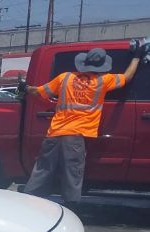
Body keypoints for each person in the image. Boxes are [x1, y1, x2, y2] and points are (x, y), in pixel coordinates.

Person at [20, 44, 144, 209]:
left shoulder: (65, 77)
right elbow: (127, 77)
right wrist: (137, 57)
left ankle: (26, 205)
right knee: (72, 175)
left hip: (54, 133)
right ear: (101, 67)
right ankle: (71, 209)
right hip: (76, 136)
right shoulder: (103, 81)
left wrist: (25, 87)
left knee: (42, 171)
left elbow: (39, 92)